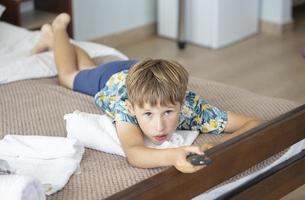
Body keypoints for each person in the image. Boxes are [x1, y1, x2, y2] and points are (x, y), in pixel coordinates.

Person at [33, 13, 261, 173]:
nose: (159, 127)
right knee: (69, 75)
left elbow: (254, 122)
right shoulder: (127, 108)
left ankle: (55, 38)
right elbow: (135, 153)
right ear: (133, 109)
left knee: (88, 68)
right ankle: (57, 31)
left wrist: (221, 144)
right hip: (112, 77)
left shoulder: (194, 109)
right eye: (148, 115)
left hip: (142, 70)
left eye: (168, 112)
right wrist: (173, 156)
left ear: (181, 104)